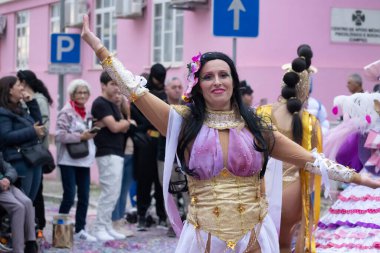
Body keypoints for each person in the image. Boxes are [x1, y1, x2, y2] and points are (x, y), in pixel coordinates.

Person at [81, 15, 380, 252]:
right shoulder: (182, 121)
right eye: (208, 76)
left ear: (234, 82)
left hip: (254, 237)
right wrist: (100, 49)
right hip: (203, 238)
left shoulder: (256, 126)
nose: (217, 82)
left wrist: (361, 179)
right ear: (197, 84)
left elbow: (311, 160)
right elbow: (135, 90)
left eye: (223, 75)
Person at [257, 45, 322, 253]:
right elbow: (316, 163)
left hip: (262, 188)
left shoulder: (262, 112)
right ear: (306, 89)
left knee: (261, 243)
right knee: (285, 244)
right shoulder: (310, 121)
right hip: (294, 189)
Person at [315, 93, 380, 252]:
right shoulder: (368, 128)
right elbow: (346, 154)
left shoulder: (367, 128)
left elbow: (344, 154)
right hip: (369, 178)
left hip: (368, 179)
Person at [55, 79, 97, 242]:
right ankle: (60, 233)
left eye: (85, 92)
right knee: (69, 196)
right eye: (79, 92)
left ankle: (80, 229)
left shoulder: (87, 113)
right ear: (72, 94)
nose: (82, 95)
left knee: (84, 196)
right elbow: (59, 135)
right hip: (68, 161)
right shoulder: (66, 112)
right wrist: (81, 136)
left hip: (84, 160)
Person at [91, 71, 130, 241]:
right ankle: (99, 227)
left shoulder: (114, 104)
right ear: (103, 85)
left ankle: (107, 226)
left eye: (117, 84)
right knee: (108, 192)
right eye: (113, 84)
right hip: (106, 151)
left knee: (114, 192)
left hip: (117, 151)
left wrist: (123, 123)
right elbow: (115, 127)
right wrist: (124, 123)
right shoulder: (100, 103)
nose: (116, 88)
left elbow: (123, 126)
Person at [17, 69, 53, 238]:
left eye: (18, 82)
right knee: (33, 194)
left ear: (23, 83)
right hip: (29, 153)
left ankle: (37, 227)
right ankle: (32, 229)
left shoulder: (38, 100)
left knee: (35, 194)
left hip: (35, 152)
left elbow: (41, 127)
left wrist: (33, 131)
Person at [131, 63, 167, 231]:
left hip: (161, 143)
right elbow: (137, 118)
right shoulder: (142, 94)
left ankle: (162, 215)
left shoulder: (165, 94)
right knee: (144, 180)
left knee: (161, 182)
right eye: (157, 80)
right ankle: (141, 215)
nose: (160, 83)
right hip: (145, 143)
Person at [0, 76, 45, 202]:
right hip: (20, 160)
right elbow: (6, 137)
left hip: (34, 158)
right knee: (23, 201)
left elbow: (38, 124)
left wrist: (32, 103)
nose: (22, 88)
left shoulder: (20, 109)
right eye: (19, 85)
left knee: (30, 201)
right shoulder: (3, 112)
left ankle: (28, 222)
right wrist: (32, 131)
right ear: (10, 90)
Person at [157, 77, 189, 237]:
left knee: (187, 190)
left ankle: (191, 223)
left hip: (184, 155)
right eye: (174, 87)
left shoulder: (188, 107)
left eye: (179, 86)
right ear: (167, 89)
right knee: (169, 190)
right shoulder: (159, 106)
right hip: (164, 154)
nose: (177, 89)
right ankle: (173, 223)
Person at [0, 152, 38, 253]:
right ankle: (18, 249)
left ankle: (30, 243)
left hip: (7, 184)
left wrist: (7, 178)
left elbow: (10, 169)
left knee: (27, 202)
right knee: (18, 207)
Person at [110, 90, 135, 237]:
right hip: (117, 154)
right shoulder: (109, 112)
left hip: (130, 153)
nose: (118, 95)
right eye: (116, 92)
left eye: (120, 93)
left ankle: (119, 220)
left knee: (124, 190)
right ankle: (115, 221)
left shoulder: (127, 112)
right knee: (116, 190)